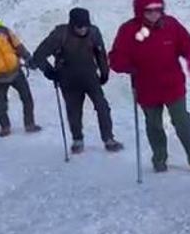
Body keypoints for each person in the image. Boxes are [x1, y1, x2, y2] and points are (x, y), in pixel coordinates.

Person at [109, 0, 190, 173]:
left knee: (182, 122)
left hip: (173, 85)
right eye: (149, 10)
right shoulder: (129, 30)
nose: (154, 14)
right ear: (140, 10)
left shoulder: (171, 25)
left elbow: (188, 47)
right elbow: (116, 57)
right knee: (154, 125)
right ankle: (159, 159)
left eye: (158, 9)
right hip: (146, 87)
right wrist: (126, 65)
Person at [33, 8, 123, 153]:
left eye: (85, 26)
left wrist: (104, 72)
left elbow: (100, 53)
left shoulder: (94, 32)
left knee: (102, 107)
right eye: (79, 26)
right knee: (74, 110)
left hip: (90, 76)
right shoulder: (60, 34)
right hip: (68, 79)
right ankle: (77, 140)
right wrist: (50, 72)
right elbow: (38, 55)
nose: (82, 29)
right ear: (72, 24)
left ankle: (108, 139)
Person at [0, 17, 41, 137]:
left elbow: (18, 46)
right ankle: (5, 127)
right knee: (0, 104)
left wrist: (28, 58)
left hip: (16, 72)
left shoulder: (5, 31)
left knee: (27, 98)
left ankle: (29, 124)